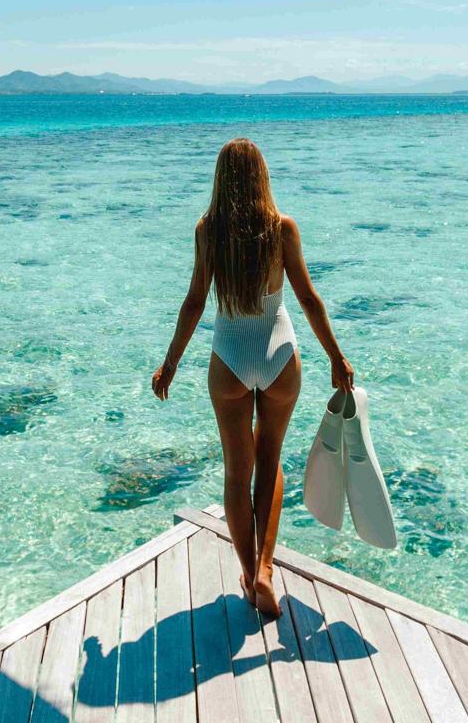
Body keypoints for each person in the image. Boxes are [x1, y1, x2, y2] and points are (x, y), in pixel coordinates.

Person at [151, 138, 354, 619]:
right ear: (262, 176)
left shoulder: (208, 231)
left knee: (236, 473)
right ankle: (265, 567)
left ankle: (246, 574)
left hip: (230, 359)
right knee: (271, 462)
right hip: (280, 355)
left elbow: (195, 302)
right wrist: (336, 356)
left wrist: (171, 363)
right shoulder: (282, 228)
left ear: (221, 179)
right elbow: (307, 299)